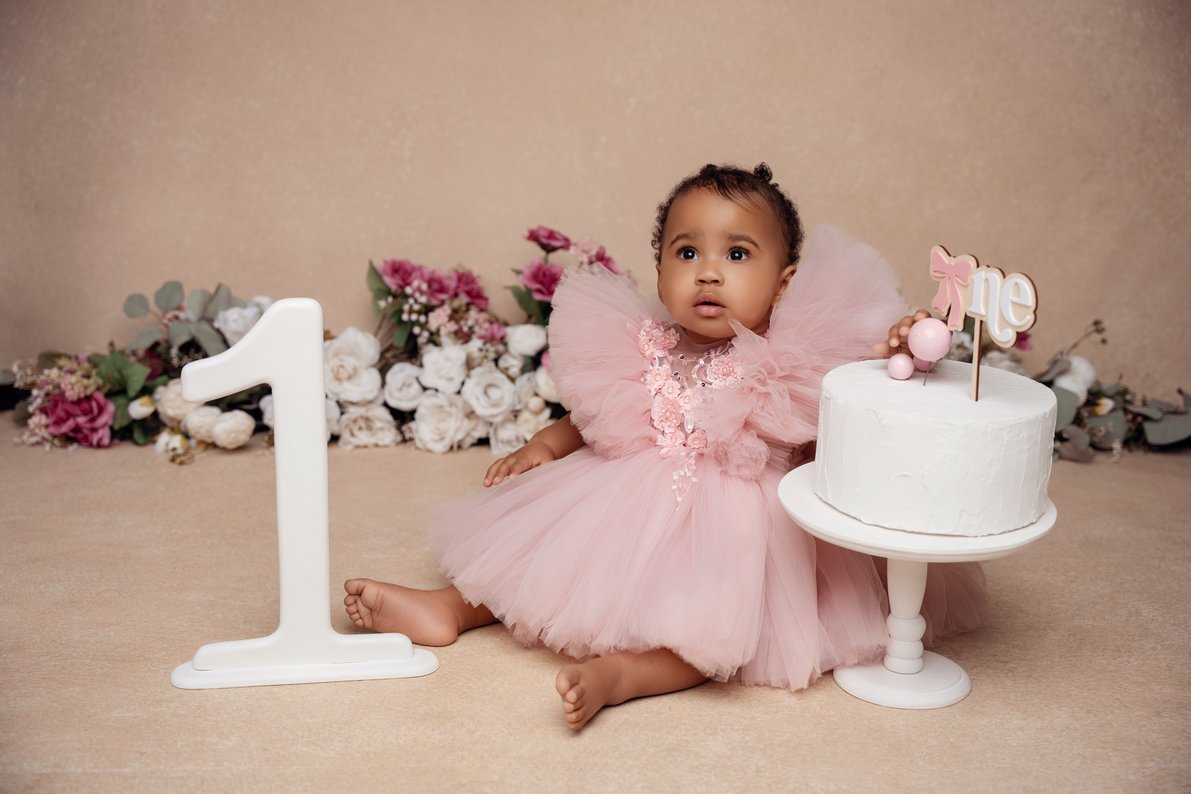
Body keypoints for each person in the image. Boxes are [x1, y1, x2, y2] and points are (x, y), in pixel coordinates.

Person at [344, 163, 986, 730]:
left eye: (737, 254)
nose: (708, 271)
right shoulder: (644, 344)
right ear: (659, 270)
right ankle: (450, 609)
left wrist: (904, 346)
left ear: (784, 284)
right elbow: (596, 418)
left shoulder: (794, 359)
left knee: (712, 625)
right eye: (686, 253)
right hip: (626, 491)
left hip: (741, 526)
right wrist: (545, 445)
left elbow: (860, 400)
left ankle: (621, 677)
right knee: (550, 559)